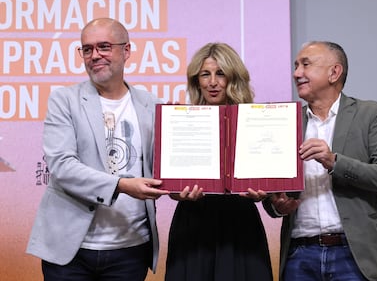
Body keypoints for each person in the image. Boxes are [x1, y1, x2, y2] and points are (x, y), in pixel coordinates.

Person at [26, 17, 169, 281]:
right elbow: (62, 166)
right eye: (87, 49)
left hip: (131, 250)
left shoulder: (153, 104)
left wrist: (184, 188)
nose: (95, 55)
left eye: (104, 46)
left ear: (126, 51)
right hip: (70, 252)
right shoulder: (64, 100)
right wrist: (122, 185)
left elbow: (167, 166)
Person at [263, 41, 377, 281]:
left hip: (354, 255)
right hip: (299, 254)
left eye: (305, 64)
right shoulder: (286, 122)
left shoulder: (371, 114)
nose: (297, 73)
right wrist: (276, 205)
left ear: (334, 72)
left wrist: (334, 161)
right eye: (296, 66)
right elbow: (271, 194)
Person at [164, 42, 273, 281]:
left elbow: (269, 183)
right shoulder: (182, 122)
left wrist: (263, 192)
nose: (212, 82)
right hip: (193, 223)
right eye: (205, 74)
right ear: (197, 80)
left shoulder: (255, 121)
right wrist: (177, 193)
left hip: (240, 224)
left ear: (233, 78)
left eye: (220, 73)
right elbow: (171, 189)